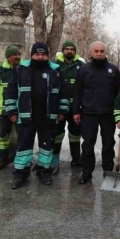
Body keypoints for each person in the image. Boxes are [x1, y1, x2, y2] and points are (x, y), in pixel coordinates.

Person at [5, 43, 67, 189]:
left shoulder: (55, 70)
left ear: (47, 55)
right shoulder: (21, 69)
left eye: (43, 54)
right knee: (24, 146)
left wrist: (63, 110)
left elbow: (63, 92)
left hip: (48, 116)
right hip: (26, 115)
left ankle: (44, 171)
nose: (40, 57)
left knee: (47, 146)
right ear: (32, 55)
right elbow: (10, 91)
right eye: (37, 54)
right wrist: (11, 110)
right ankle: (20, 174)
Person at [73, 41, 120, 184]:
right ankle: (86, 172)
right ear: (91, 52)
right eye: (96, 51)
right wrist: (76, 111)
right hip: (89, 113)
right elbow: (77, 92)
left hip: (108, 114)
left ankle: (108, 171)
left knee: (108, 144)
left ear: (105, 52)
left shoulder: (113, 70)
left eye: (102, 51)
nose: (99, 53)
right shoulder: (84, 69)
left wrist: (119, 113)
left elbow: (119, 94)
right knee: (88, 144)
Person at [0, 46, 21, 170]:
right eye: (14, 54)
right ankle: (1, 160)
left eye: (18, 54)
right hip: (2, 109)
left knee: (21, 136)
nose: (17, 57)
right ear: (8, 56)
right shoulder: (0, 70)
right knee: (2, 137)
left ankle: (20, 160)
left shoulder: (23, 69)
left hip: (19, 109)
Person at [52, 41, 85, 172]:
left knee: (75, 134)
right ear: (63, 51)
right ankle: (55, 161)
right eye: (67, 49)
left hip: (76, 107)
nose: (69, 51)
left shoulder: (81, 66)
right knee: (57, 133)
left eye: (72, 49)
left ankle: (76, 159)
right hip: (59, 106)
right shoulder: (55, 66)